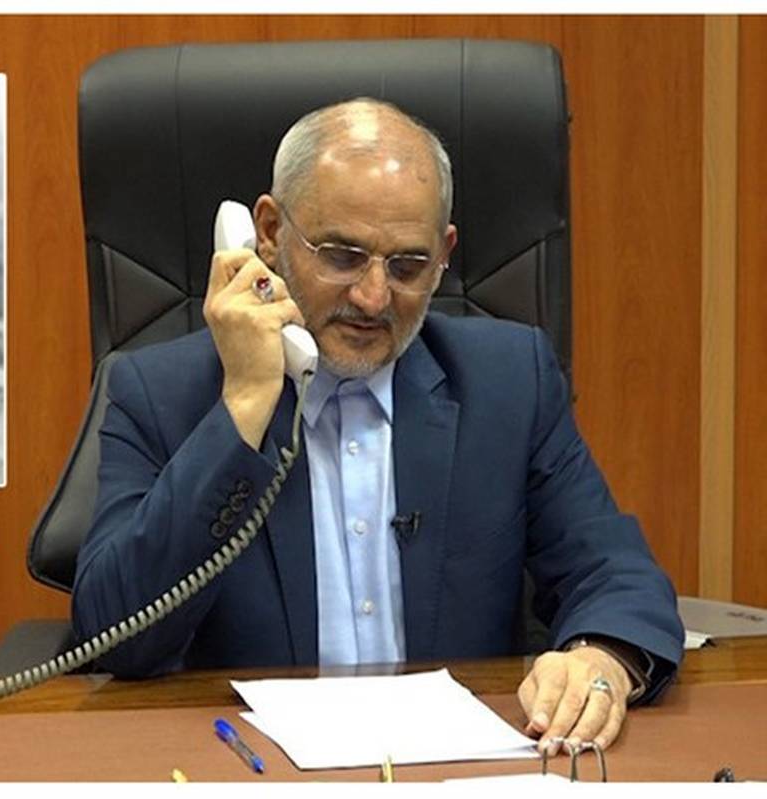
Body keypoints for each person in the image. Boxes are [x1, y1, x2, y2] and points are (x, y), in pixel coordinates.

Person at [71, 98, 683, 756]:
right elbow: (113, 635)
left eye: (408, 266)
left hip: (458, 770)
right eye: (342, 256)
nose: (373, 297)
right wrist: (245, 404)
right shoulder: (157, 393)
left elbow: (616, 573)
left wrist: (598, 657)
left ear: (445, 254)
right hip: (250, 767)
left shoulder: (509, 383)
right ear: (268, 233)